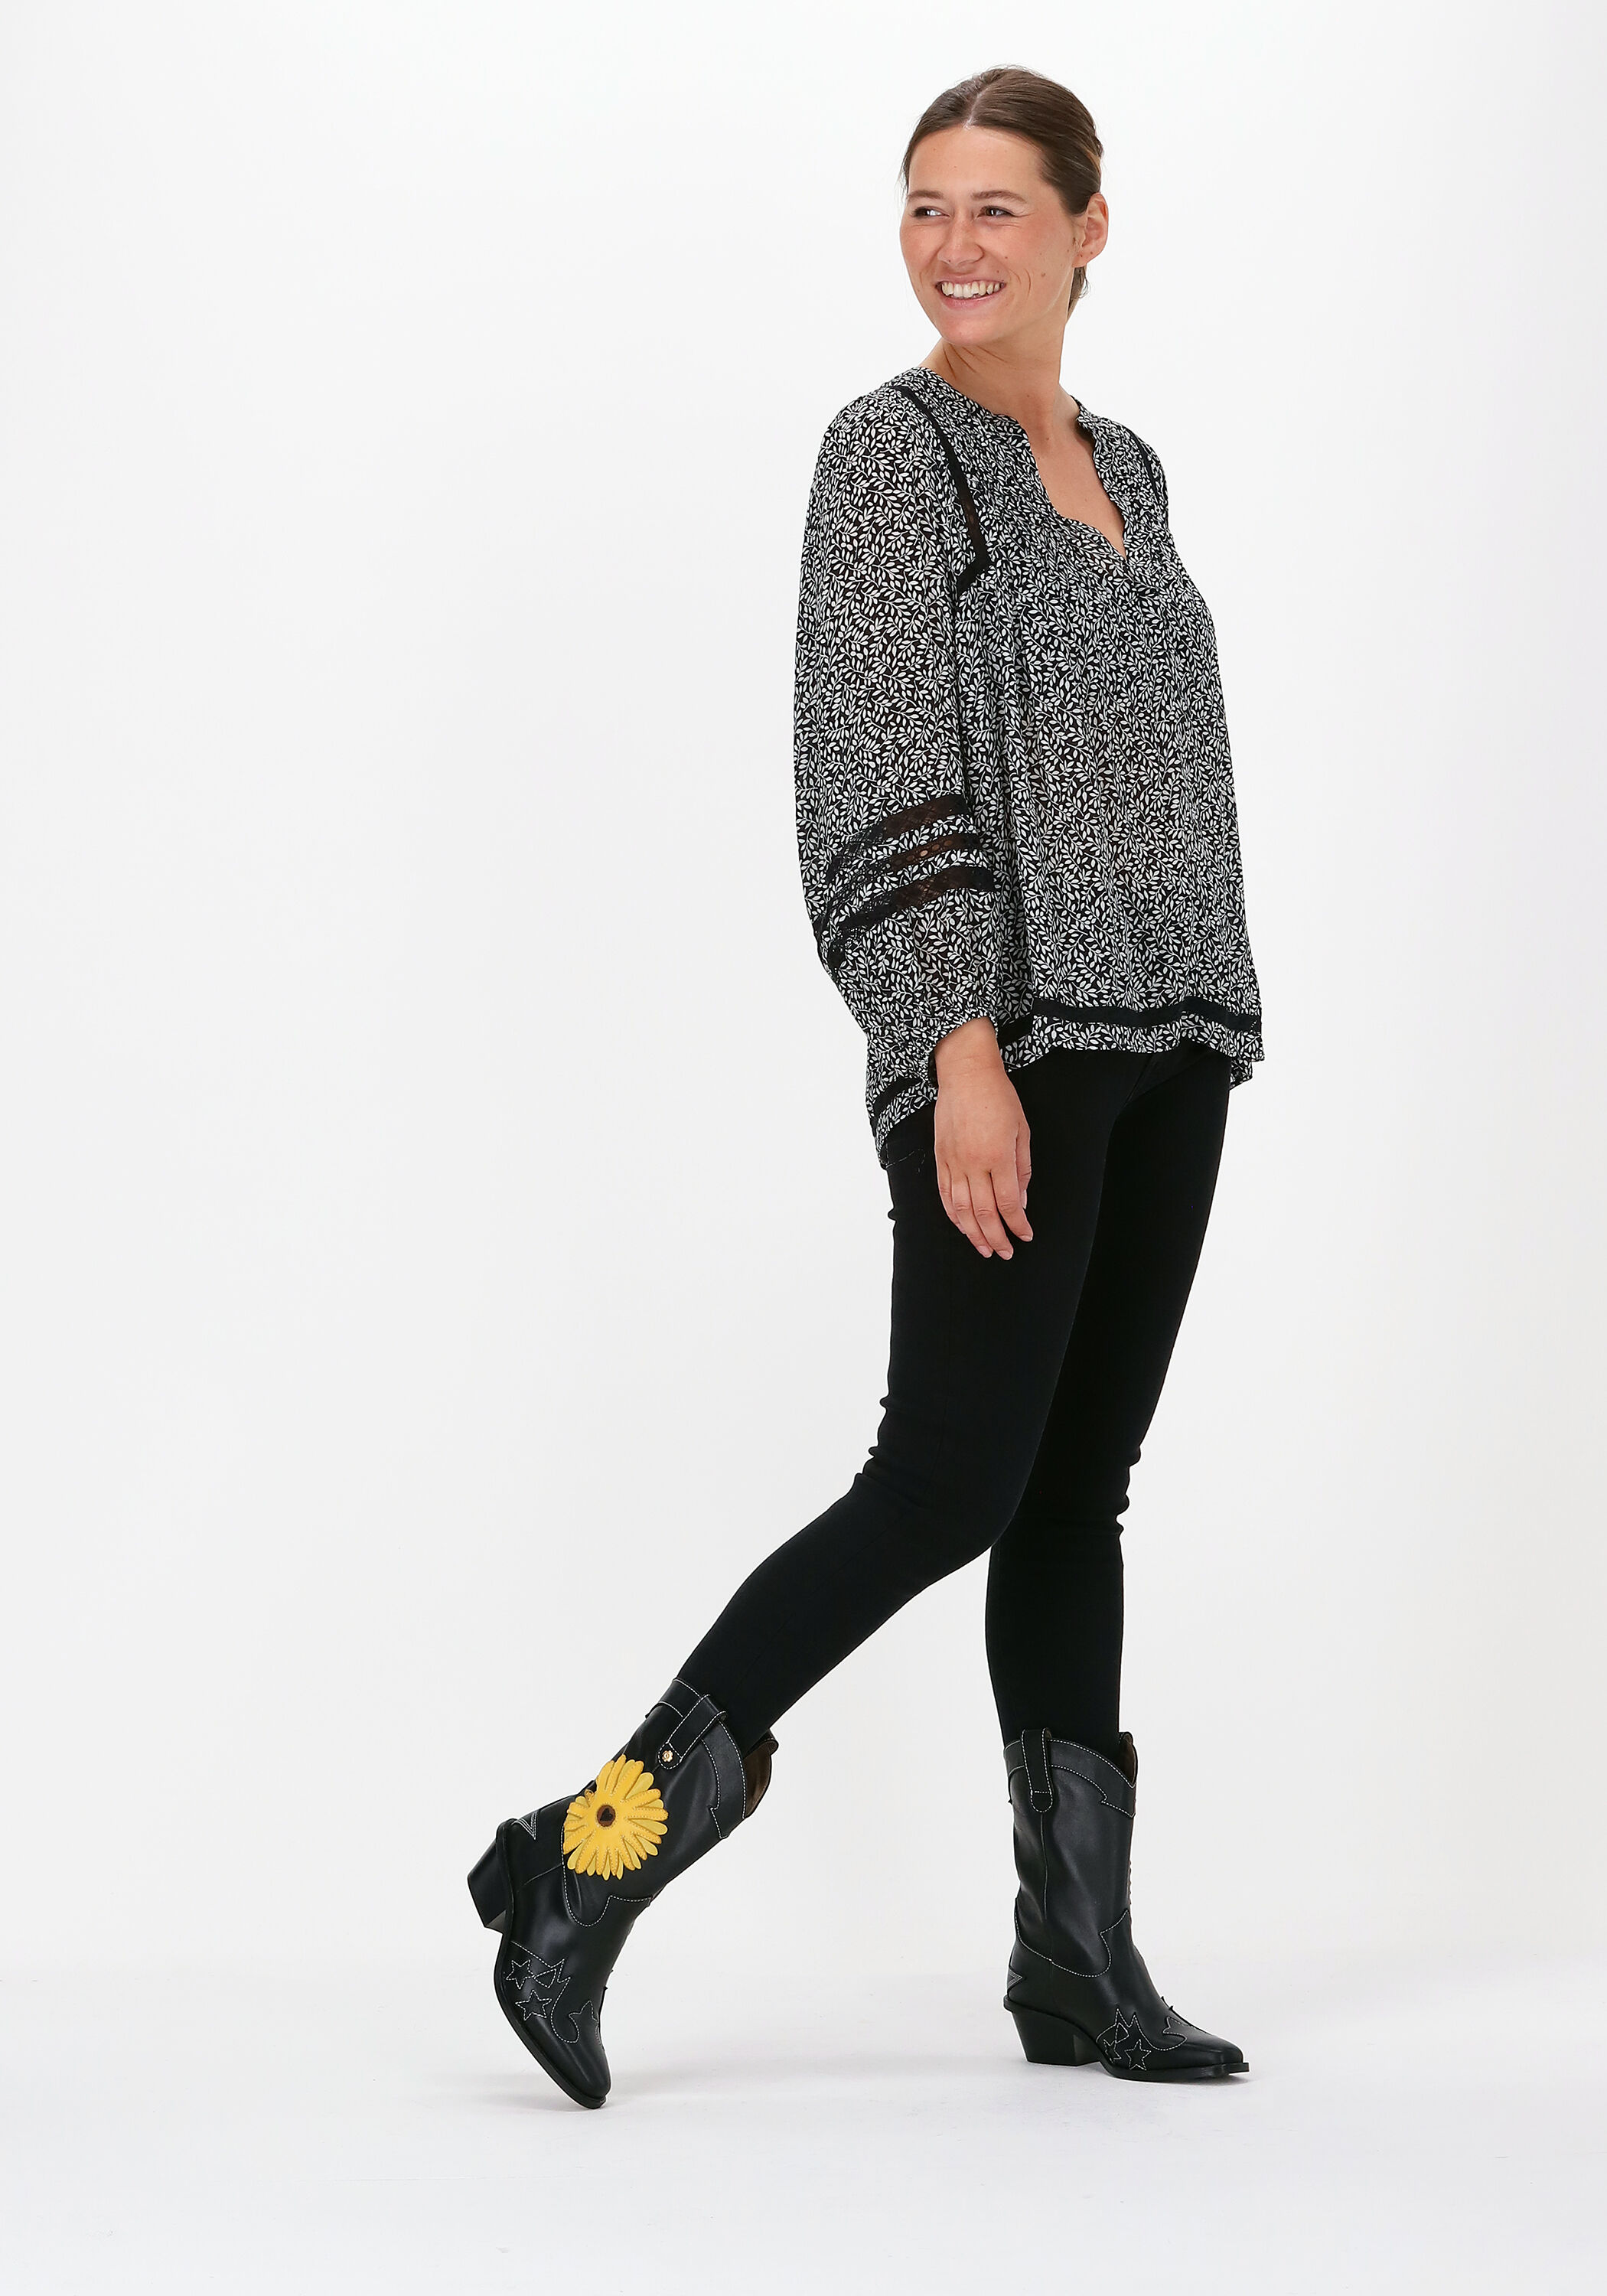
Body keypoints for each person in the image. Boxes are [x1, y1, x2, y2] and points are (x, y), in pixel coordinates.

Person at [468, 65, 1265, 2106]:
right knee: (944, 1483)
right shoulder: (889, 455)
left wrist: (1199, 1012)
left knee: (1073, 1493)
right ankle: (581, 1865)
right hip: (1010, 1042)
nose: (954, 245)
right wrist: (950, 1045)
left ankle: (1075, 1961)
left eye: (997, 207)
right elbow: (872, 758)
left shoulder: (1130, 467)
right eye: (925, 205)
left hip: (1173, 1037)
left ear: (1089, 228)